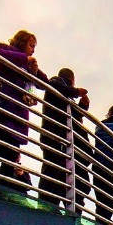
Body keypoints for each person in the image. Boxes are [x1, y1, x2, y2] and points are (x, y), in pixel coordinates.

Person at [0, 30, 45, 192]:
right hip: (6, 110)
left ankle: (3, 187)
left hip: (18, 116)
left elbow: (44, 83)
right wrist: (25, 59)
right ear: (22, 42)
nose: (33, 50)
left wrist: (35, 71)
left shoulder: (28, 65)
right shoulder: (9, 53)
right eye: (31, 45)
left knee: (11, 153)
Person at [36, 67, 90, 209]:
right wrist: (77, 92)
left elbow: (74, 117)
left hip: (58, 137)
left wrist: (83, 106)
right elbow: (55, 86)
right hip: (54, 136)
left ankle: (51, 204)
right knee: (52, 169)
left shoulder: (65, 96)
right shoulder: (56, 82)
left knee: (57, 171)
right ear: (71, 80)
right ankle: (45, 204)